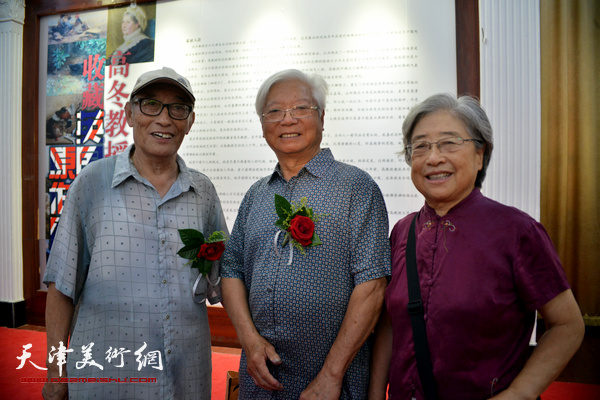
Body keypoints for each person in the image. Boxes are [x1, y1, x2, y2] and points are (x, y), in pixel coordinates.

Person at [368, 93, 585, 399]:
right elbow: (391, 325)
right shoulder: (402, 232)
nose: (433, 158)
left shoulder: (516, 231)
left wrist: (520, 393)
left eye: (449, 143)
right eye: (421, 146)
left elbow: (567, 325)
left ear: (480, 154)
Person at [42, 67, 227, 400]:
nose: (164, 119)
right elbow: (61, 287)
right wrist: (56, 372)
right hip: (108, 378)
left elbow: (225, 278)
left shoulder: (203, 192)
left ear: (190, 121)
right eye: (150, 105)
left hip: (185, 376)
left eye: (177, 108)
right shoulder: (92, 183)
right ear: (129, 113)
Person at [220, 69, 391, 399]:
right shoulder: (256, 195)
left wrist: (331, 374)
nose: (287, 120)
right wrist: (249, 340)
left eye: (301, 108)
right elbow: (231, 270)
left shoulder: (357, 188)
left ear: (322, 117)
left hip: (330, 386)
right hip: (259, 381)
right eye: (274, 111)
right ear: (262, 124)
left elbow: (373, 285)